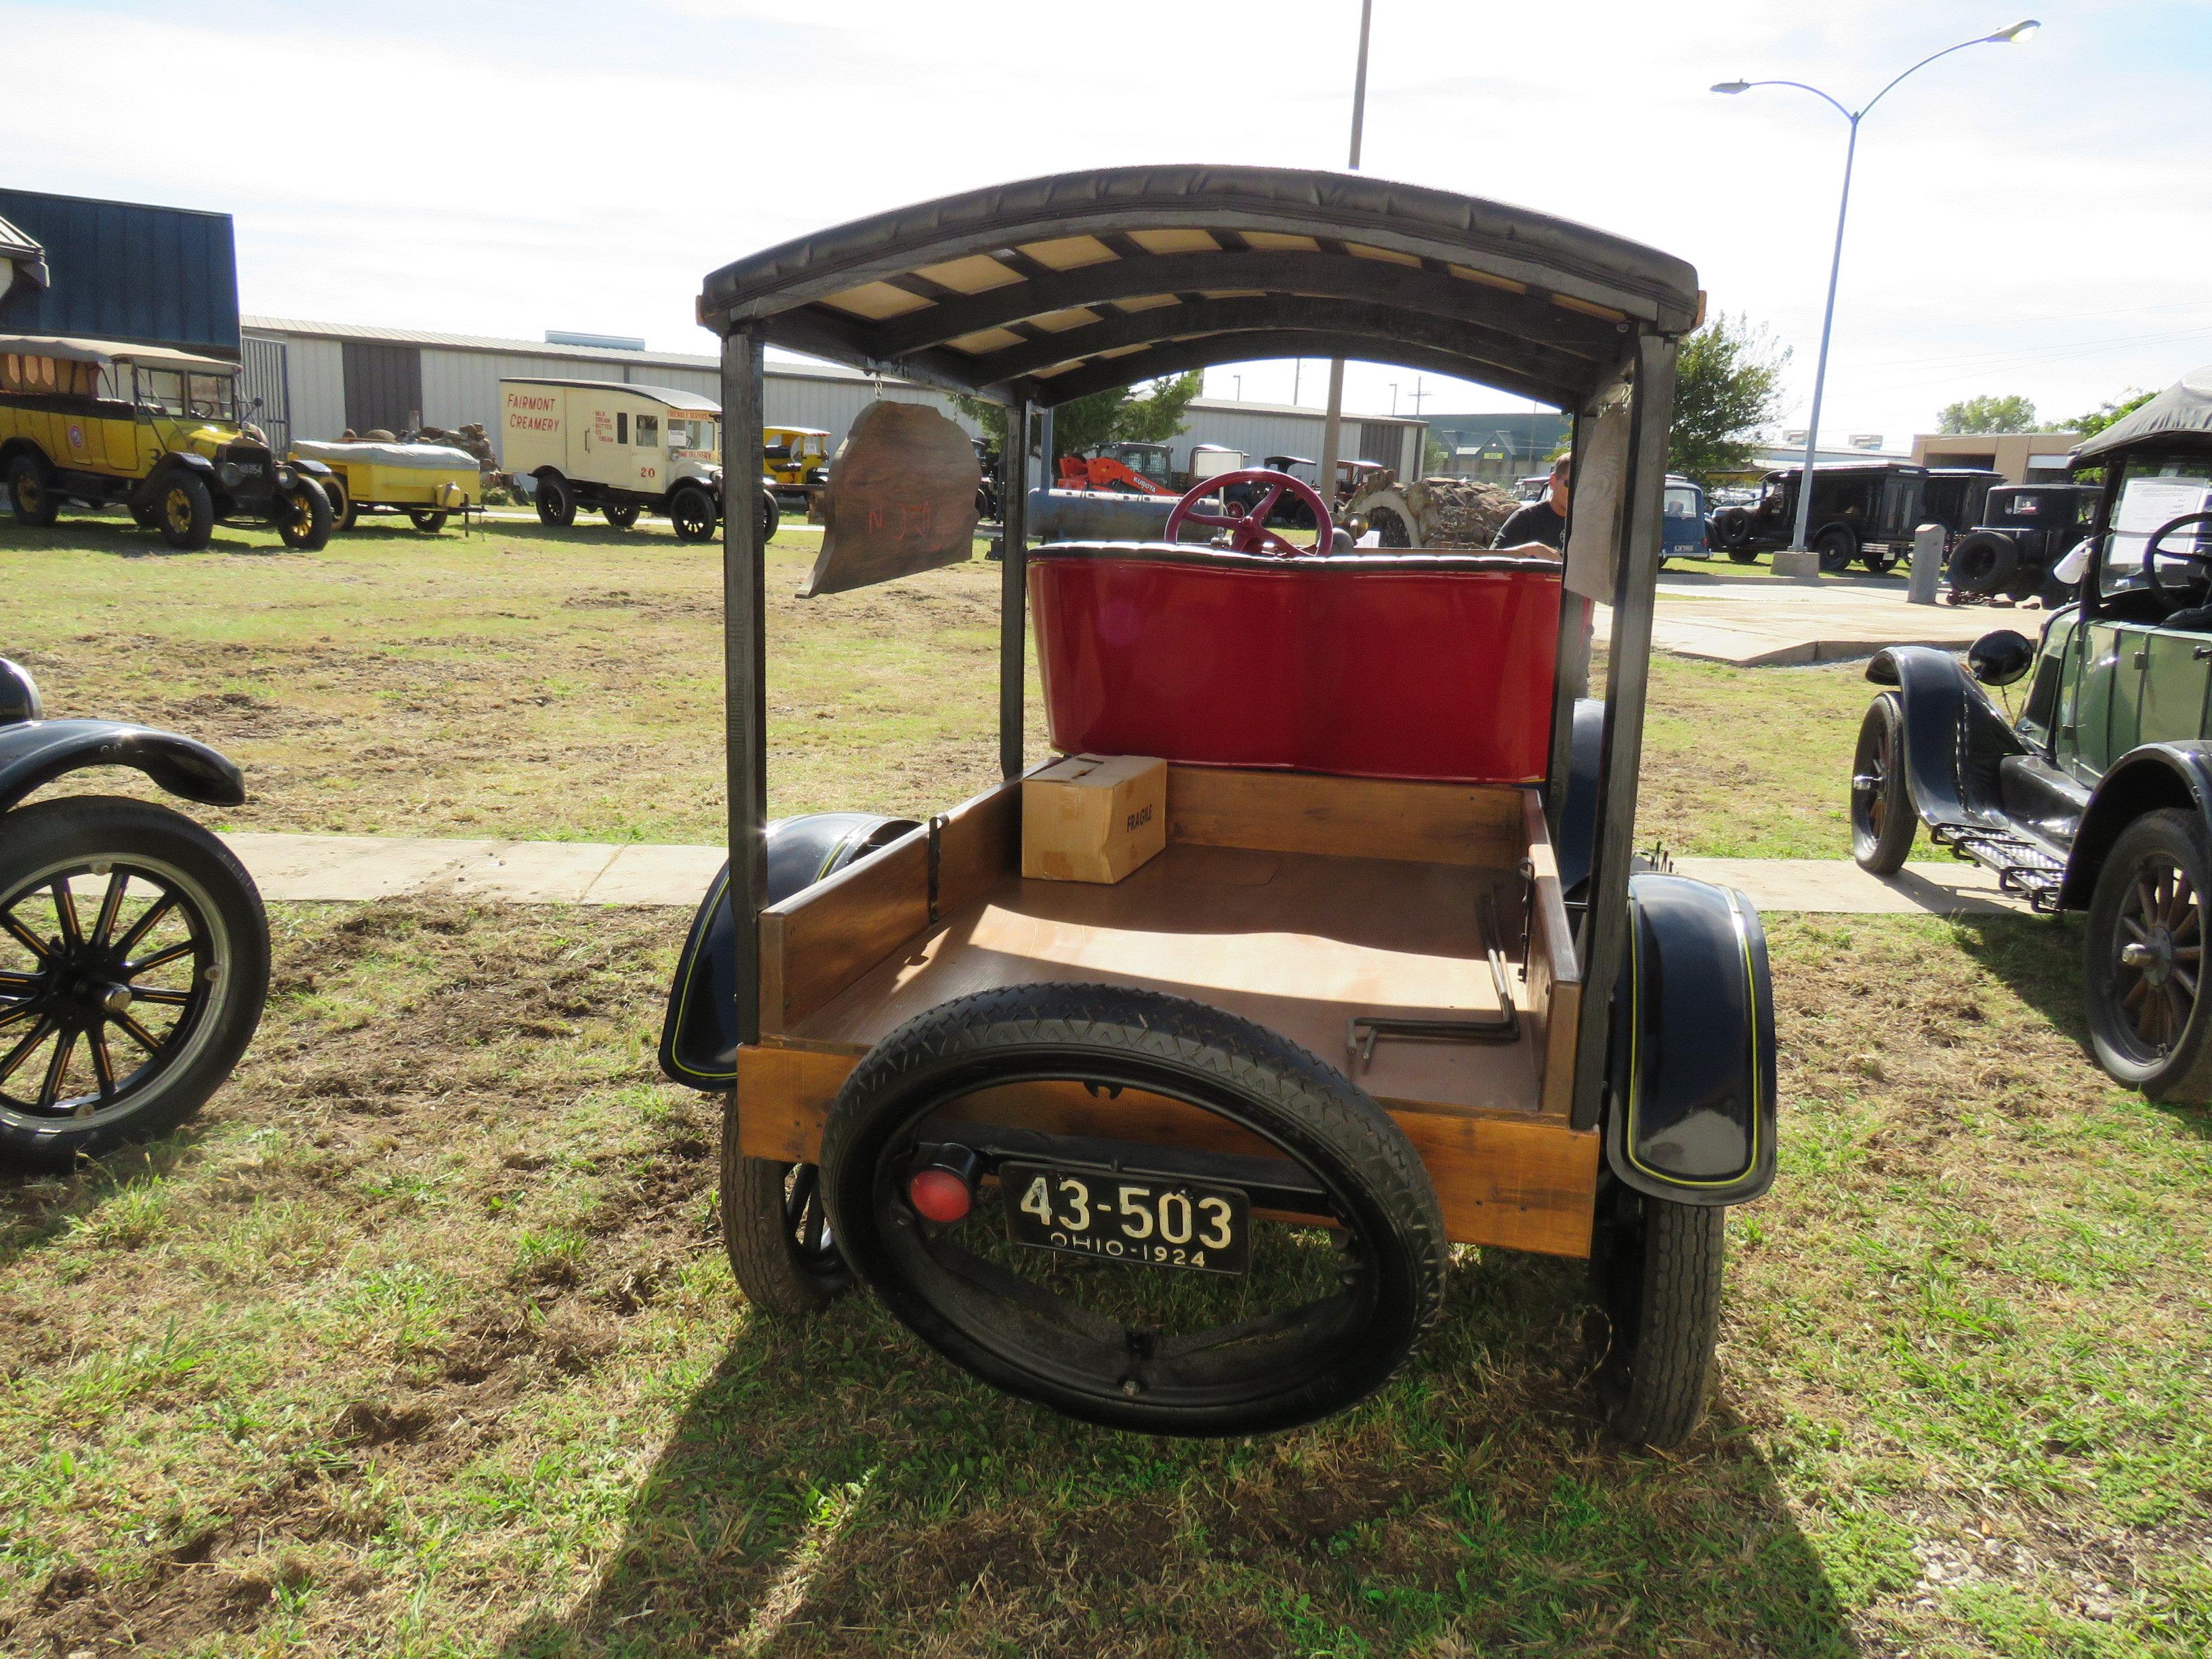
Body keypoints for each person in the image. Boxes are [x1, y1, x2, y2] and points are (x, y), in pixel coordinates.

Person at [1493, 453, 1570, 556]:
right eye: (1570, 484)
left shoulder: (1591, 523)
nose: (1577, 491)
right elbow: (1491, 558)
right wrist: (1532, 549)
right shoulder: (1526, 518)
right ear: (1552, 482)